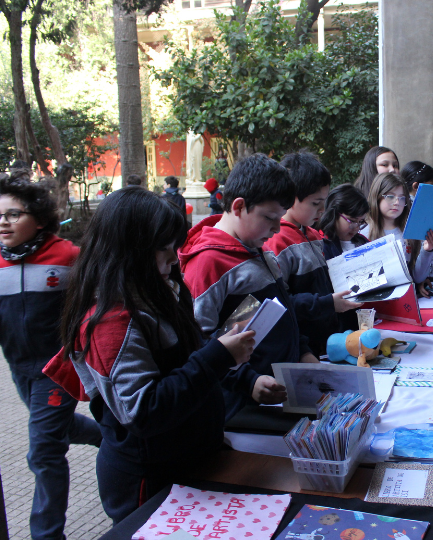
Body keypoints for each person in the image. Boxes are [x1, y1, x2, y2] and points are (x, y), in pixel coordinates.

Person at [44, 187, 255, 525]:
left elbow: (189, 356)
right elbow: (143, 412)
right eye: (164, 247)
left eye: (175, 246)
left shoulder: (159, 290)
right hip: (148, 482)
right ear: (129, 250)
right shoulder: (112, 322)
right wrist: (217, 357)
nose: (174, 258)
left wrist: (231, 363)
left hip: (187, 465)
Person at [0, 176, 102, 540]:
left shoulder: (69, 257)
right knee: (59, 428)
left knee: (44, 451)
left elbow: (95, 305)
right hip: (19, 368)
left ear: (40, 219)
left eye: (13, 214)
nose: (3, 223)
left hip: (57, 370)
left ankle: (47, 535)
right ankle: (110, 436)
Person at [179, 153, 316, 422]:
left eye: (280, 218)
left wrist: (303, 351)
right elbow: (197, 342)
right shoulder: (207, 262)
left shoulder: (259, 249)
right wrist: (247, 381)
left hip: (278, 394)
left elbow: (283, 310)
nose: (277, 228)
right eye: (269, 217)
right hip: (240, 407)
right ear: (239, 207)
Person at [265, 151, 362, 355]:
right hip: (304, 349)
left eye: (324, 202)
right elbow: (280, 303)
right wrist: (327, 304)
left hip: (328, 343)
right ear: (290, 198)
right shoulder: (277, 241)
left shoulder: (314, 235)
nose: (322, 210)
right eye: (315, 203)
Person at [364, 172, 433, 297]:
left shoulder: (410, 231)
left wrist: (427, 250)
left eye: (402, 198)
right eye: (390, 197)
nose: (397, 202)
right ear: (377, 197)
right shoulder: (364, 232)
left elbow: (418, 277)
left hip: (407, 299)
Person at [319, 183, 370, 259]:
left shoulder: (363, 242)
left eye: (360, 222)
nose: (356, 228)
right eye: (352, 221)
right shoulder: (321, 245)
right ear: (334, 214)